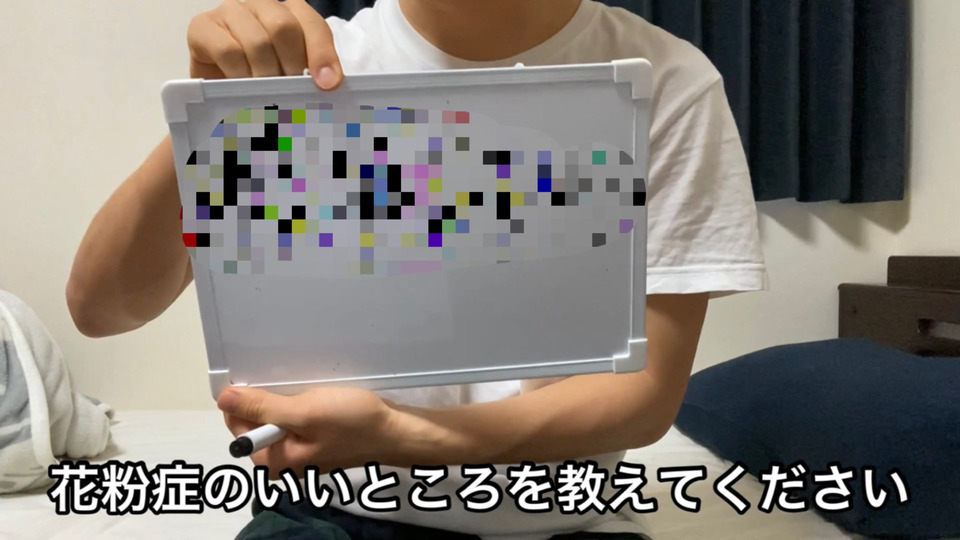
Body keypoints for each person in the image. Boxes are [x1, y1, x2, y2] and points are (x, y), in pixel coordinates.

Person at [66, 0, 767, 538]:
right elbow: (102, 309)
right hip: (333, 511)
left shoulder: (667, 80)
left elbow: (642, 397)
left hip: (561, 520)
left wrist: (402, 437)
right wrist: (205, 118)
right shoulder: (303, 65)